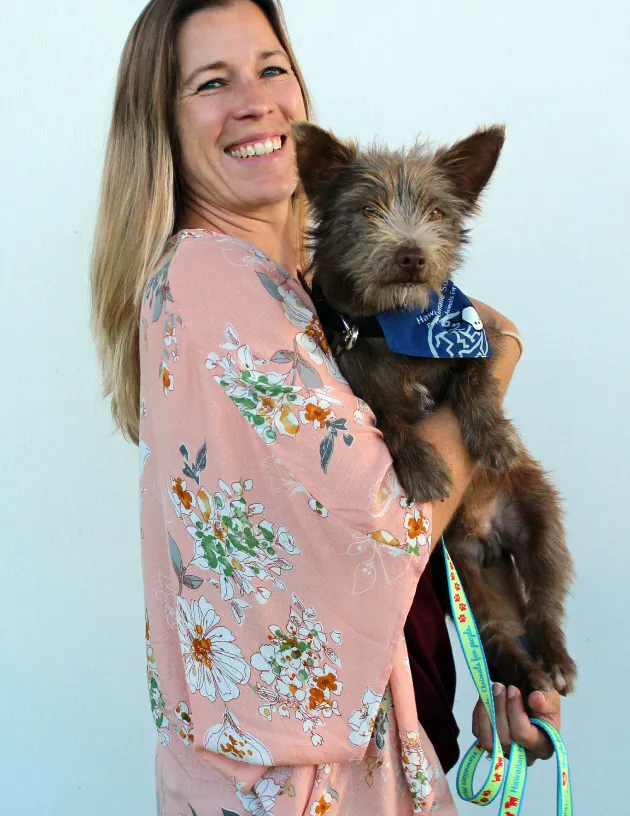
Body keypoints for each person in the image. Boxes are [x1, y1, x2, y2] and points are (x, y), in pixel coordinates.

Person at [90, 1, 562, 813]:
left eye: (271, 68)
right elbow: (385, 516)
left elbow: (325, 563)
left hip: (337, 762)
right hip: (301, 789)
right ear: (161, 125)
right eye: (212, 82)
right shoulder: (217, 284)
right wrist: (503, 348)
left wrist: (490, 663)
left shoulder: (293, 292)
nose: (255, 101)